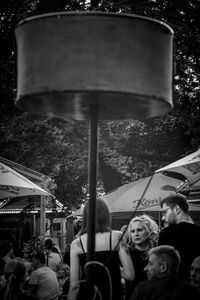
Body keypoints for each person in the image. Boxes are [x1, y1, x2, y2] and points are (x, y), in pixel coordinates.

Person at [68, 198, 134, 300]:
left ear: (86, 217)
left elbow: (74, 286)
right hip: (113, 295)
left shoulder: (76, 243)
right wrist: (113, 267)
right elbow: (130, 275)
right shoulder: (117, 237)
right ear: (107, 215)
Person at [131, 245, 200, 300]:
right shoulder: (191, 291)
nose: (145, 268)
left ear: (163, 267)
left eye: (150, 263)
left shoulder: (143, 290)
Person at [158, 193, 200, 280]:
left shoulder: (166, 233)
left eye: (164, 212)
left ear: (177, 209)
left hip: (173, 287)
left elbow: (161, 267)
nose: (163, 218)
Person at [124, 214, 159, 300]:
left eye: (139, 230)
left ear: (148, 231)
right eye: (132, 231)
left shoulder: (157, 252)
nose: (136, 234)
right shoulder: (127, 254)